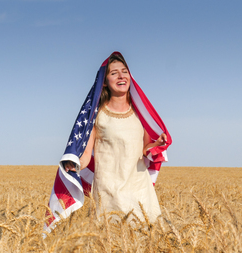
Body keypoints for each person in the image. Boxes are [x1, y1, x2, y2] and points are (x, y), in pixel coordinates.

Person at [62, 52, 168, 223]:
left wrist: (157, 144)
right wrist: (75, 165)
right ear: (104, 82)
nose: (121, 76)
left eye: (124, 71)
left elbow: (145, 149)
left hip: (140, 190)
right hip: (108, 192)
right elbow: (87, 153)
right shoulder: (97, 115)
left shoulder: (142, 113)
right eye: (114, 73)